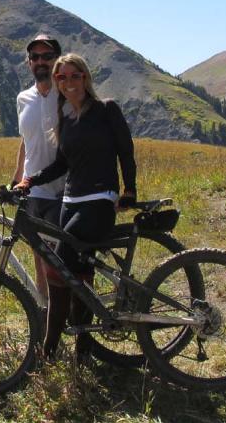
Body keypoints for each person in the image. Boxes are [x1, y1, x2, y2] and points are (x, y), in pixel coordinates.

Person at [17, 53, 137, 358]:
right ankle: (83, 347)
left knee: (59, 267)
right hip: (70, 201)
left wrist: (129, 189)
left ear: (85, 77)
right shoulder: (65, 118)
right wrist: (30, 181)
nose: (68, 82)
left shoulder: (105, 109)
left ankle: (49, 351)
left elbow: (125, 150)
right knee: (79, 272)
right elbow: (61, 165)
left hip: (99, 200)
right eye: (62, 77)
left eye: (74, 76)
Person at [12, 34, 64, 296]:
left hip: (65, 187)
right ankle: (45, 309)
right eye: (35, 57)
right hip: (34, 188)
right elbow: (26, 140)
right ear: (28, 62)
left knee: (60, 257)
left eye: (47, 56)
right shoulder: (23, 98)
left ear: (57, 60)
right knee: (38, 250)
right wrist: (16, 177)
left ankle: (67, 314)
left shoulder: (67, 93)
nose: (41, 62)